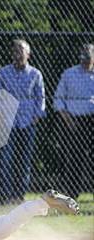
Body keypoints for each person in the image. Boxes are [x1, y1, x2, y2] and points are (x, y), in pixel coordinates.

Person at [0, 40, 45, 205]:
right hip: (7, 123)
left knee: (24, 162)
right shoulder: (3, 73)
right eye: (15, 51)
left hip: (28, 122)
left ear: (28, 54)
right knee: (5, 161)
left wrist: (37, 116)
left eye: (21, 51)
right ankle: (4, 197)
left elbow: (41, 97)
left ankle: (19, 196)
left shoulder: (35, 74)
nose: (17, 54)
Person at [53, 43, 94, 199]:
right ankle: (72, 194)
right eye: (83, 55)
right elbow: (58, 99)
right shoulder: (69, 74)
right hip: (73, 122)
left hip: (92, 120)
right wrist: (67, 119)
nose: (85, 59)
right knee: (74, 158)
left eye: (89, 56)